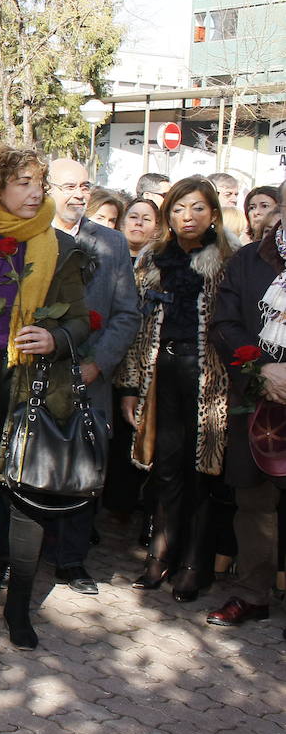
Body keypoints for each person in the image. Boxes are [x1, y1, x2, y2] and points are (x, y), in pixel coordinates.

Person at [0, 148, 90, 650]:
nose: (36, 192)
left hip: (36, 386)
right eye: (23, 182)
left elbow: (79, 319)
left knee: (29, 498)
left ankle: (18, 609)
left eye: (40, 183)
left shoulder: (63, 246)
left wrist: (55, 338)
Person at [118, 177, 238, 603]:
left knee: (202, 471)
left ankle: (194, 563)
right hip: (159, 372)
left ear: (214, 215)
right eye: (179, 208)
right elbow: (135, 326)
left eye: (198, 208)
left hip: (211, 379)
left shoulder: (229, 259)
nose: (188, 217)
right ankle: (159, 555)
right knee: (164, 468)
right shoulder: (152, 259)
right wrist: (131, 386)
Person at [46, 158, 140, 596]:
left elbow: (126, 314)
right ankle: (9, 556)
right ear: (47, 188)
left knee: (84, 466)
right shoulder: (29, 237)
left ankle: (71, 560)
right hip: (35, 373)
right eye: (68, 185)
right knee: (19, 462)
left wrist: (97, 363)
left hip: (89, 375)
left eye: (85, 185)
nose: (78, 193)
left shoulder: (113, 243)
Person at [208, 213, 286, 633]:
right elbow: (225, 323)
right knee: (253, 504)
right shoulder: (247, 260)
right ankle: (254, 595)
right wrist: (263, 371)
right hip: (256, 395)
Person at [121, 197, 160, 262]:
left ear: (156, 227)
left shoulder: (164, 262)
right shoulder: (105, 256)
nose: (139, 222)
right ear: (122, 222)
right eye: (133, 217)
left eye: (146, 219)